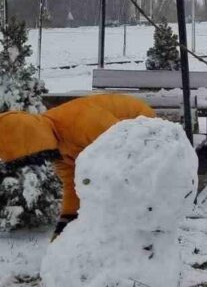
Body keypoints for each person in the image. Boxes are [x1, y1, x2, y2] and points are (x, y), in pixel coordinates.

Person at [0, 94, 155, 237]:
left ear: (34, 140)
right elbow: (72, 184)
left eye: (35, 156)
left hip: (143, 126)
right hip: (125, 146)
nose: (40, 161)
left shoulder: (81, 121)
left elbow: (122, 150)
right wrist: (66, 222)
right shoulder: (56, 148)